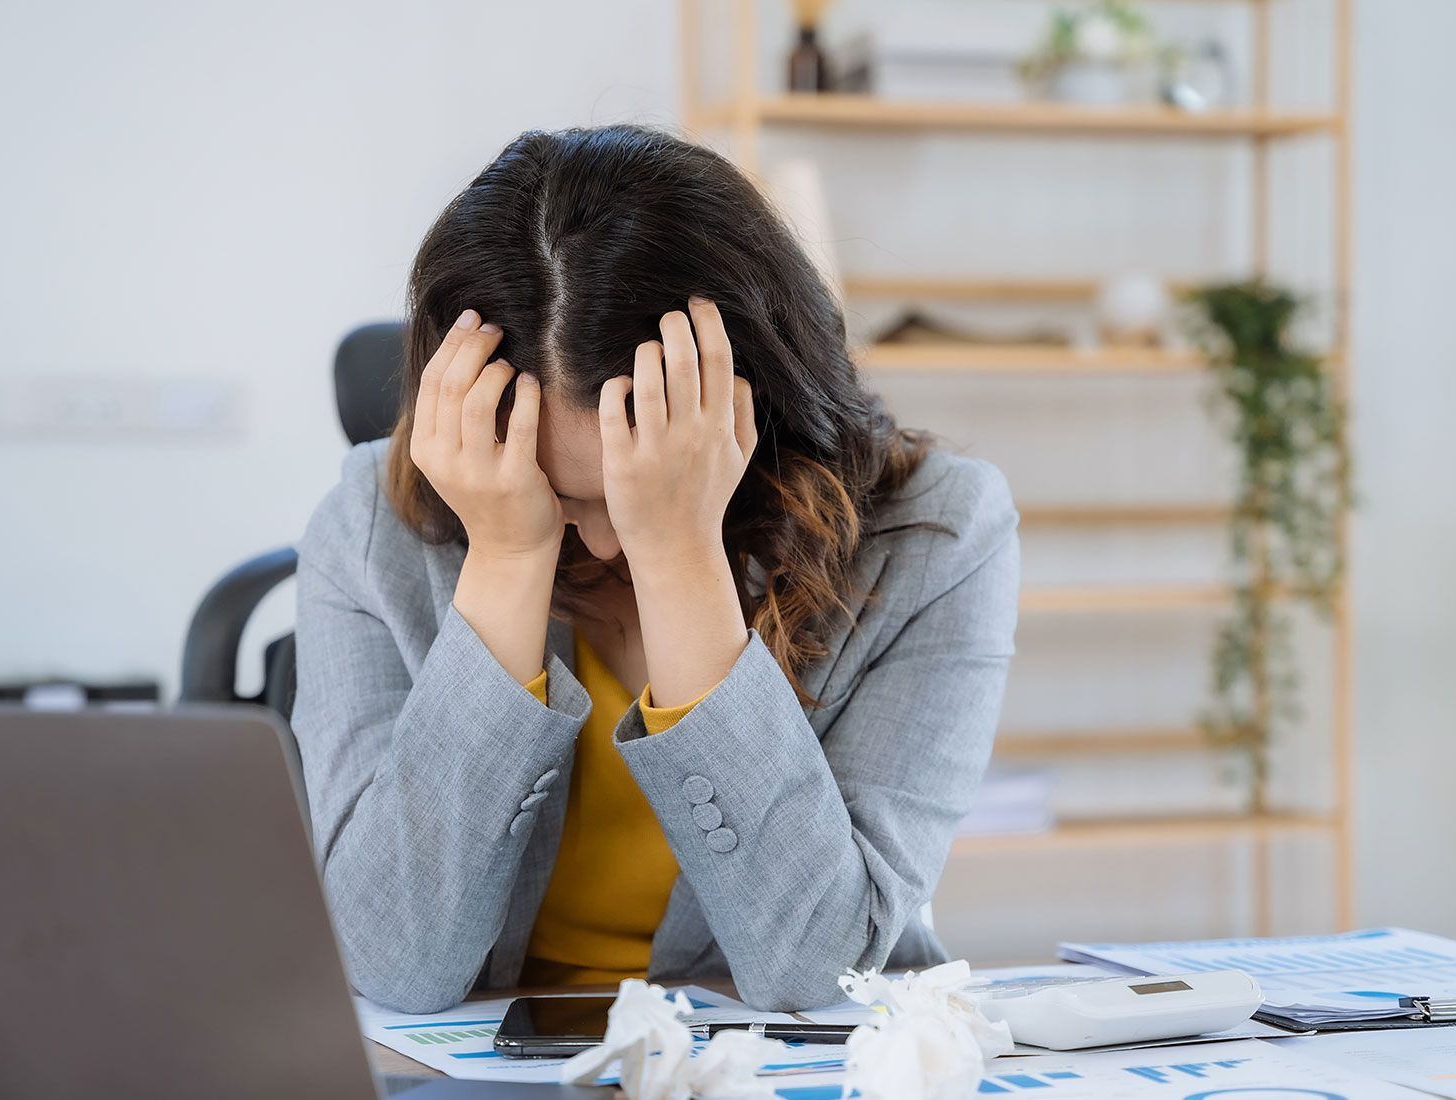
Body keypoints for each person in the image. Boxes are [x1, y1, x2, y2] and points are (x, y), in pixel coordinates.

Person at [292, 125, 1019, 1014]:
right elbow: (392, 962)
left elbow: (814, 971)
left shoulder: (937, 535)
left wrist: (681, 551)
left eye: (634, 487)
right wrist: (509, 555)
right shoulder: (372, 526)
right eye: (557, 496)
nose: (601, 545)